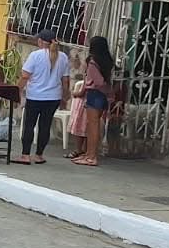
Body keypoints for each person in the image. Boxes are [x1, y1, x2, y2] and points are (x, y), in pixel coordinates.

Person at [15, 31, 72, 165]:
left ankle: (25, 155)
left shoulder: (35, 55)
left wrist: (17, 91)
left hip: (35, 96)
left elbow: (25, 76)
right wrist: (64, 97)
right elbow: (65, 80)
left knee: (29, 125)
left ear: (40, 41)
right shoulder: (63, 57)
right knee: (45, 126)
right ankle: (39, 155)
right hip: (53, 97)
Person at [77, 36, 117, 168]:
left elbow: (98, 81)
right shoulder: (107, 61)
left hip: (95, 93)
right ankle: (88, 154)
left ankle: (91, 156)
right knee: (93, 125)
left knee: (92, 126)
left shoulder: (93, 62)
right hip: (102, 96)